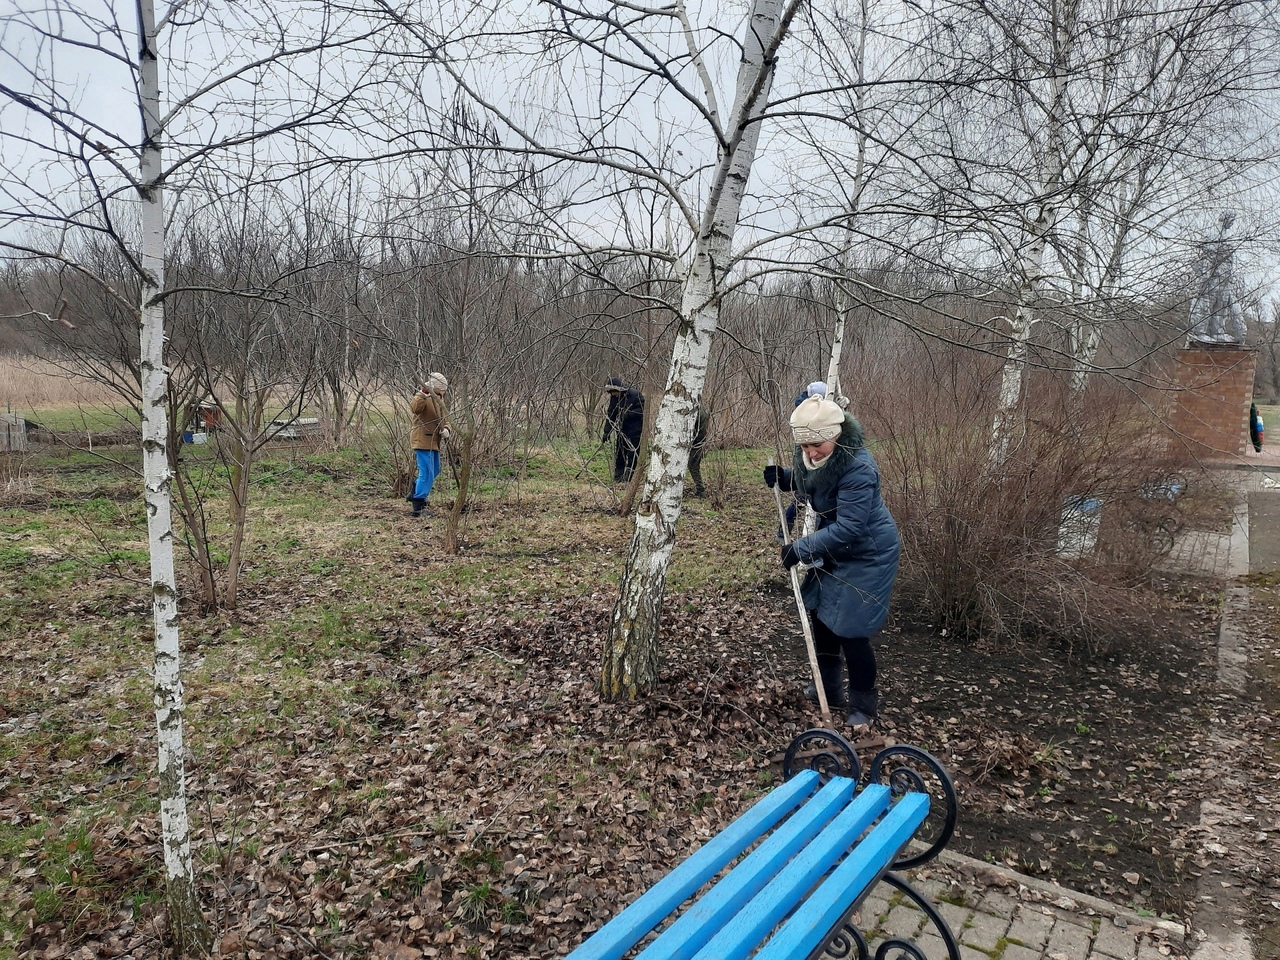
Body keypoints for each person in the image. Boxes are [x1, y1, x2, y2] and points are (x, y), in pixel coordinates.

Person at [763, 395, 900, 728]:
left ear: (836, 435)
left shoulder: (859, 467)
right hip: (837, 548)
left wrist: (801, 549)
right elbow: (815, 479)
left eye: (817, 445)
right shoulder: (816, 456)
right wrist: (786, 476)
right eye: (805, 446)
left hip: (869, 553)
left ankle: (864, 708)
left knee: (851, 628)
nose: (811, 452)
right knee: (822, 616)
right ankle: (829, 690)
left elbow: (851, 527)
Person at [782, 381, 828, 538]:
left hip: (808, 458)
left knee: (803, 496)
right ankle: (807, 536)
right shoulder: (809, 412)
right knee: (808, 497)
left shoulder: (803, 408)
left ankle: (786, 530)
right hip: (808, 460)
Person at [408, 373, 452, 517]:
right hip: (422, 440)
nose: (444, 392)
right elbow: (414, 409)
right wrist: (423, 394)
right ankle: (419, 505)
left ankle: (415, 491)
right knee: (427, 473)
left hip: (434, 442)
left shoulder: (439, 400)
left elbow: (445, 418)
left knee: (435, 470)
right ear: (436, 387)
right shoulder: (422, 397)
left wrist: (447, 429)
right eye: (442, 389)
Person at [603, 377, 645, 483]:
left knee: (632, 456)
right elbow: (611, 415)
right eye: (611, 393)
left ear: (619, 390)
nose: (613, 395)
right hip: (621, 431)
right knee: (620, 455)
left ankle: (629, 478)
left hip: (635, 431)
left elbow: (642, 410)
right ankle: (618, 477)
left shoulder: (635, 395)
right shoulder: (614, 398)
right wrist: (607, 432)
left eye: (614, 392)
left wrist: (627, 414)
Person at [688, 404, 710, 497]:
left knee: (692, 465)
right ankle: (700, 489)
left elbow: (689, 428)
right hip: (700, 441)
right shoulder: (702, 410)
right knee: (694, 466)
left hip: (695, 443)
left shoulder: (694, 412)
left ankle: (700, 490)